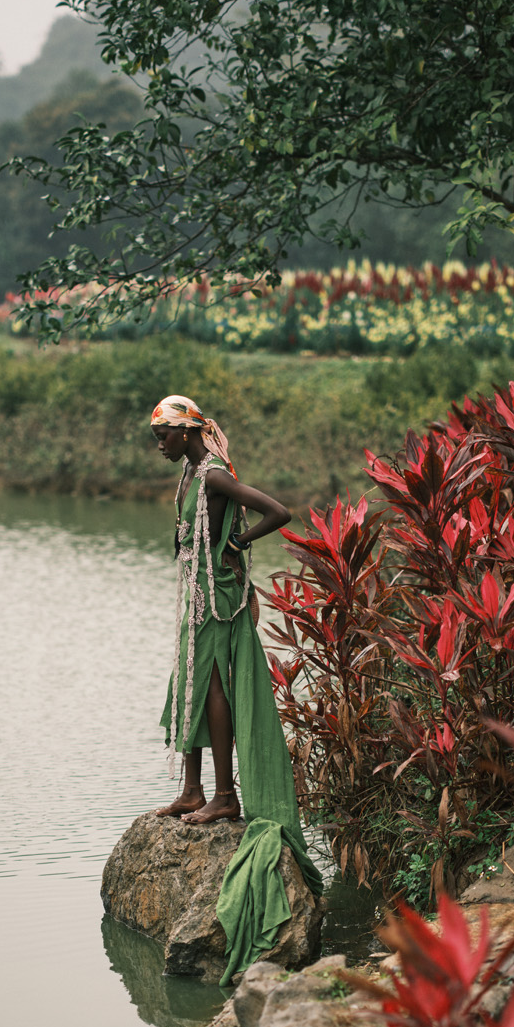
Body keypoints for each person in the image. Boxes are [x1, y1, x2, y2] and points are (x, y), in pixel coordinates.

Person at [149, 394, 323, 984]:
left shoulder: (216, 476)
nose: (160, 446)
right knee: (191, 685)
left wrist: (237, 545)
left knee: (217, 689)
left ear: (187, 431)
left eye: (165, 436)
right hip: (196, 599)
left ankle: (226, 795)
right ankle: (194, 790)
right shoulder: (192, 475)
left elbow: (278, 513)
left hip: (219, 600)